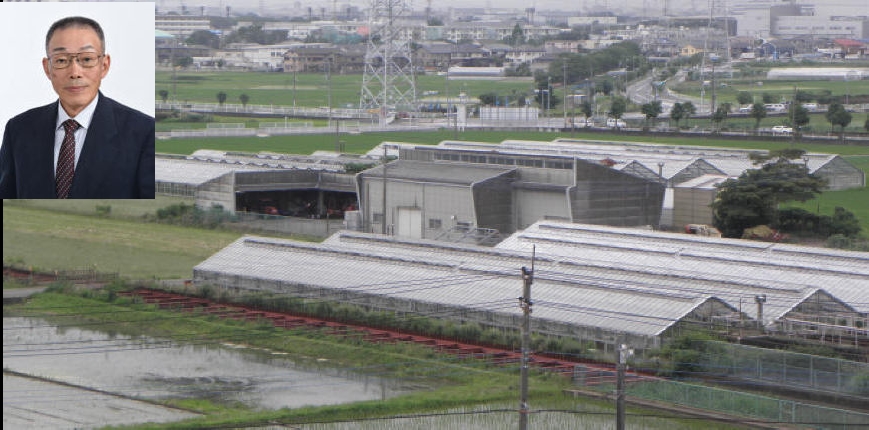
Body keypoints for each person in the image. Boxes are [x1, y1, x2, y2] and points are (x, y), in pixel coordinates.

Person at [0, 16, 154, 199]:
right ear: (47, 68)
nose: (75, 73)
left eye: (87, 59)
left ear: (104, 66)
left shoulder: (144, 132)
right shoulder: (19, 129)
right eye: (61, 60)